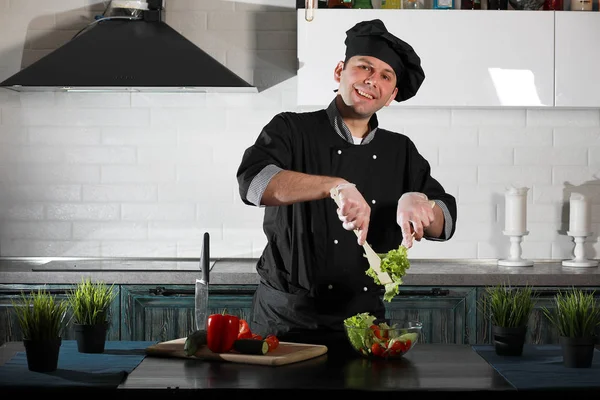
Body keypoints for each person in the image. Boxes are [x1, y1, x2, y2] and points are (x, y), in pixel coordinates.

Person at [236, 19, 457, 350]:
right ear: (340, 71)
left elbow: (444, 219)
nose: (372, 79)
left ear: (392, 95)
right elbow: (254, 184)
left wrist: (420, 201)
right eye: (364, 66)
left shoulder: (401, 150)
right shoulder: (291, 129)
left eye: (386, 76)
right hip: (285, 327)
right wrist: (335, 185)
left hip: (365, 329)